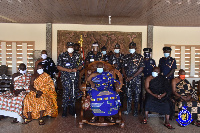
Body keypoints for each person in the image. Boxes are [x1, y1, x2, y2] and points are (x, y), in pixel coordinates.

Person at [57, 42, 83, 117]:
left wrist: (77, 68)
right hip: (65, 78)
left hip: (74, 77)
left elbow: (81, 66)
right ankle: (64, 109)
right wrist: (67, 70)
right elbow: (58, 66)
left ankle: (72, 108)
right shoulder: (62, 55)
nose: (70, 48)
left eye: (72, 46)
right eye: (69, 46)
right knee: (66, 93)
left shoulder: (77, 55)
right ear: (66, 47)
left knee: (73, 93)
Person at [122, 42, 144, 116]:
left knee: (137, 96)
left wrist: (132, 77)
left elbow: (141, 68)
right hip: (128, 80)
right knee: (128, 96)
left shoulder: (140, 57)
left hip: (136, 80)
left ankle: (135, 111)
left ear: (135, 48)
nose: (131, 49)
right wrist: (125, 77)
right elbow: (123, 68)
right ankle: (128, 110)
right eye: (130, 47)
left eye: (133, 47)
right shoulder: (126, 57)